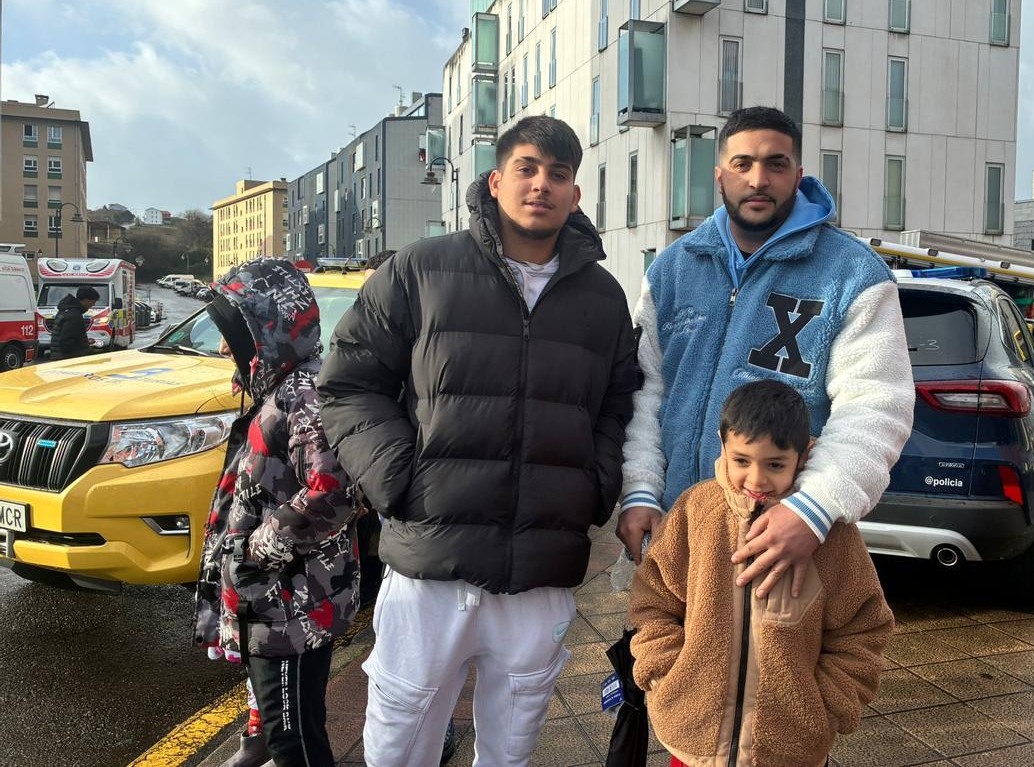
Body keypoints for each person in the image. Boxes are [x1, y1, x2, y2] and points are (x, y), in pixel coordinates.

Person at [317, 115, 637, 766]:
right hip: (430, 560)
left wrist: (592, 489)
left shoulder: (603, 300)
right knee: (398, 742)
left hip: (541, 570)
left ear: (576, 193)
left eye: (558, 173)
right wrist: (399, 481)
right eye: (526, 168)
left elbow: (618, 405)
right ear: (495, 182)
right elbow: (348, 383)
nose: (541, 184)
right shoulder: (421, 270)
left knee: (512, 747)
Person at [619, 106, 914, 600]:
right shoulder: (672, 270)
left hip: (783, 545)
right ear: (719, 177)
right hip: (675, 534)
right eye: (742, 164)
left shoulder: (852, 275)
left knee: (774, 673)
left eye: (776, 164)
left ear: (798, 175)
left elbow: (875, 405)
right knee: (665, 665)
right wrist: (641, 489)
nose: (759, 179)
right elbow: (645, 394)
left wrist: (811, 509)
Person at [629, 380, 893, 767]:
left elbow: (864, 626)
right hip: (691, 742)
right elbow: (653, 600)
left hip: (791, 750)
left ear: (802, 456)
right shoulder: (694, 511)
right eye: (742, 460)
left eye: (774, 464)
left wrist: (829, 707)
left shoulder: (833, 535)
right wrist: (665, 677)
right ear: (722, 444)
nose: (755, 480)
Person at [194, 258, 360, 767]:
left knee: (296, 742)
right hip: (279, 600)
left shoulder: (302, 394)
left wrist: (253, 550)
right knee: (290, 727)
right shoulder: (280, 386)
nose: (224, 347)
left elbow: (335, 491)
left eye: (233, 334)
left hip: (287, 602)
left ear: (266, 331)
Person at [48, 285, 100, 360]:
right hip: (67, 359)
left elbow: (70, 336)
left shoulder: (65, 310)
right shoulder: (74, 315)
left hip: (58, 356)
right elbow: (66, 341)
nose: (93, 305)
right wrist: (83, 350)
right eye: (93, 302)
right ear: (86, 300)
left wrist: (84, 342)